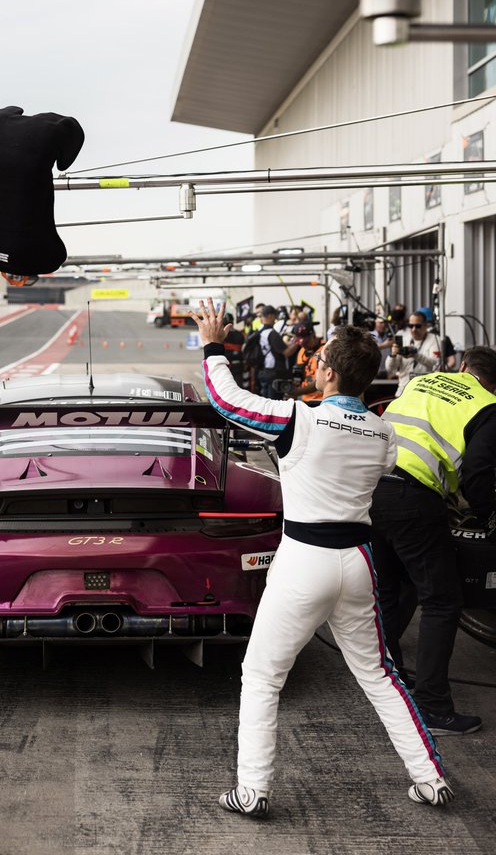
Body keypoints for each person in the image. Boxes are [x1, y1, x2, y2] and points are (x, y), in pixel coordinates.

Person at [190, 299, 452, 817]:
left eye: (319, 360)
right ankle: (431, 779)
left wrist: (213, 346)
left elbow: (226, 399)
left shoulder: (298, 420)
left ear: (327, 371)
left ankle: (253, 791)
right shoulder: (384, 434)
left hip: (303, 559)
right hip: (357, 560)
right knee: (380, 676)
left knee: (263, 677)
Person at [370, 346, 496, 737]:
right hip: (413, 499)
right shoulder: (488, 405)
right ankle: (433, 708)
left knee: (391, 591)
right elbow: (478, 473)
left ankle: (389, 693)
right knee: (442, 601)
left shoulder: (423, 381)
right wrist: (487, 514)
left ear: (462, 367)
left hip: (371, 489)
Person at [386, 313, 443, 395]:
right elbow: (391, 370)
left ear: (425, 326)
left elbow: (435, 363)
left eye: (418, 326)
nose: (413, 329)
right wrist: (392, 356)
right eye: (410, 326)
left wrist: (415, 355)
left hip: (425, 390)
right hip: (404, 390)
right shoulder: (404, 339)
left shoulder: (434, 339)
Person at [256, 305, 299, 400]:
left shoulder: (259, 331)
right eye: (275, 316)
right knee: (275, 402)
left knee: (266, 401)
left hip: (264, 370)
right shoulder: (272, 333)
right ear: (271, 316)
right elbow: (286, 352)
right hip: (276, 373)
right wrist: (296, 342)